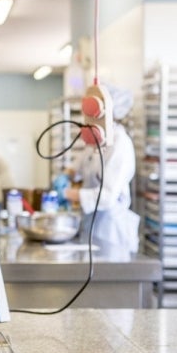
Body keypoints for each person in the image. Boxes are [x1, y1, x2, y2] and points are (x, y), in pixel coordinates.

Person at [62, 85, 140, 258]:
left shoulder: (120, 144)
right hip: (91, 223)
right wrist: (67, 174)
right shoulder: (97, 138)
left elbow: (107, 196)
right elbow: (82, 164)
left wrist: (70, 194)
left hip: (112, 230)